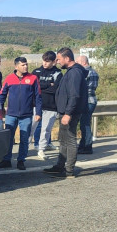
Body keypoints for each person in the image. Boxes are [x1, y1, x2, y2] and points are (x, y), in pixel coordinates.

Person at [43, 48, 87, 178]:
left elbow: (74, 95)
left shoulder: (74, 73)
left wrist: (68, 113)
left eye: (59, 59)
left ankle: (69, 170)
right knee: (63, 140)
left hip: (70, 113)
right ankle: (59, 167)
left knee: (70, 140)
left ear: (67, 58)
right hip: (65, 111)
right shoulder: (71, 72)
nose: (57, 62)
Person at [0, 57, 42, 170]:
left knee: (24, 139)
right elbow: (2, 95)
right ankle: (6, 160)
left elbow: (38, 97)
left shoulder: (33, 78)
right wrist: (0, 109)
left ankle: (21, 160)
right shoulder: (9, 78)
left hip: (26, 115)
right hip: (11, 114)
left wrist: (38, 112)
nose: (26, 67)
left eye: (26, 64)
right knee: (9, 138)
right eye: (23, 65)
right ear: (16, 66)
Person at [31, 51, 62, 159]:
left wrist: (41, 87)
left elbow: (56, 89)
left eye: (48, 61)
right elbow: (33, 87)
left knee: (46, 130)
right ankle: (24, 148)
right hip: (36, 105)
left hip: (51, 107)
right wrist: (49, 84)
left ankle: (41, 149)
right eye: (44, 60)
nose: (45, 63)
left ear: (53, 62)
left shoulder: (58, 73)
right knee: (30, 128)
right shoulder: (36, 71)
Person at [77, 55, 99, 154]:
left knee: (85, 124)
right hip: (86, 101)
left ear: (83, 62)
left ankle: (87, 146)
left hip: (88, 101)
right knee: (83, 124)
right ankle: (83, 145)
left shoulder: (91, 72)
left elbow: (89, 89)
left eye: (77, 62)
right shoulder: (85, 72)